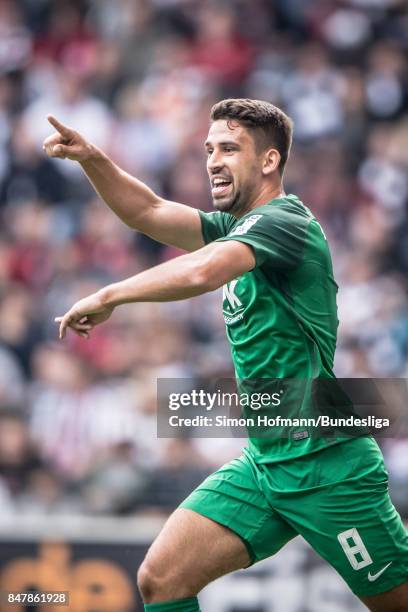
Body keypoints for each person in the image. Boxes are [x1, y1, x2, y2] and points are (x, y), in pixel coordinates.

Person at [43, 99, 408, 612]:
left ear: (269, 161)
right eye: (209, 149)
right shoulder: (235, 228)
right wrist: (92, 159)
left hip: (326, 463)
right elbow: (146, 211)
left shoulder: (286, 222)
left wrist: (109, 295)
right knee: (161, 580)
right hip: (264, 461)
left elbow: (201, 272)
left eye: (230, 149)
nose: (213, 160)